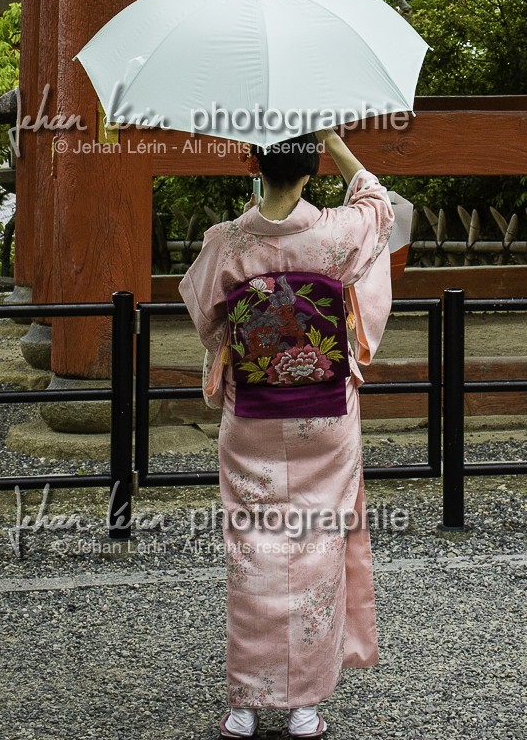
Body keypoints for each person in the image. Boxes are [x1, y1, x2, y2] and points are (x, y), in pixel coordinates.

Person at [179, 127, 395, 739]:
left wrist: (246, 342)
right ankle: (305, 706)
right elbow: (379, 206)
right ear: (310, 171)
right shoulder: (334, 233)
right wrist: (334, 139)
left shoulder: (227, 242)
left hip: (252, 415)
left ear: (256, 162)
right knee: (318, 543)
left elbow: (203, 316)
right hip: (324, 414)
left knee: (253, 549)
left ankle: (244, 704)